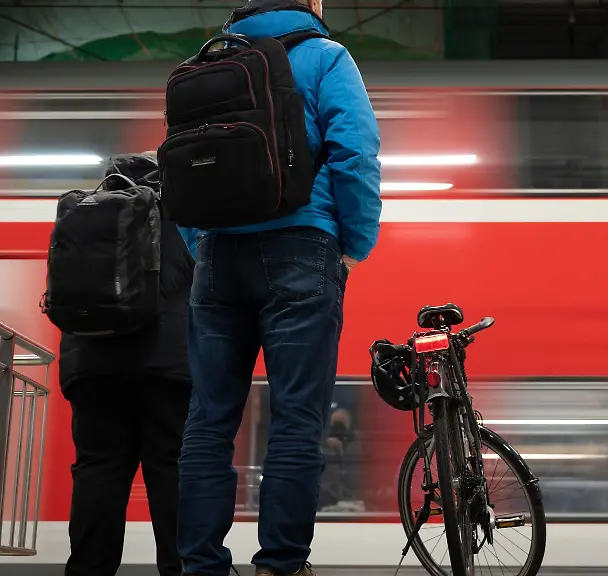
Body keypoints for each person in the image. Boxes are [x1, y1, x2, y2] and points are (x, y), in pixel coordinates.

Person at [175, 0, 382, 575]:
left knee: (210, 420)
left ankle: (201, 566)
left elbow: (183, 169)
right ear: (311, 5)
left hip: (217, 257)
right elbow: (355, 152)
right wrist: (354, 244)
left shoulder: (207, 64)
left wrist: (202, 245)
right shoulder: (325, 57)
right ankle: (280, 565)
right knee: (295, 418)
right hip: (300, 247)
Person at [59, 153, 194, 576]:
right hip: (167, 362)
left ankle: (87, 569)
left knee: (99, 467)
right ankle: (181, 567)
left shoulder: (88, 211)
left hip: (92, 361)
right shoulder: (183, 213)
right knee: (170, 467)